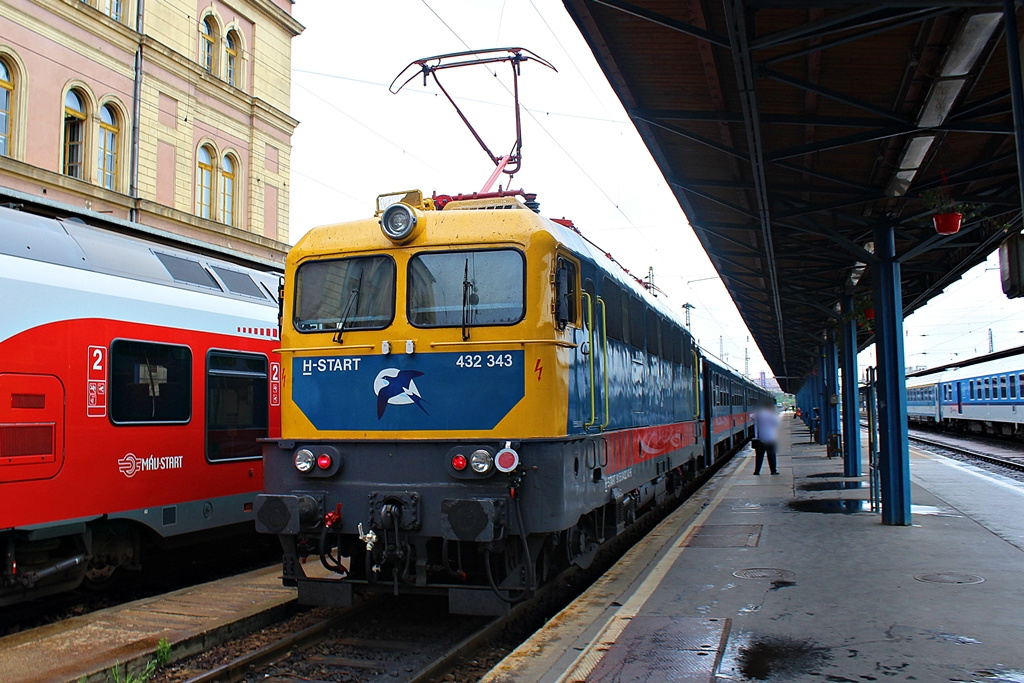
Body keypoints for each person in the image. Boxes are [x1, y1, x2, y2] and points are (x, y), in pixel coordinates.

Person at [751, 400, 780, 475]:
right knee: (771, 456)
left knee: (759, 456)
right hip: (770, 438)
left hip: (760, 438)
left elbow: (751, 416)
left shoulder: (758, 414)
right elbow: (777, 423)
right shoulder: (771, 414)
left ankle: (757, 471)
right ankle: (773, 471)